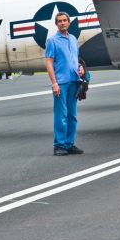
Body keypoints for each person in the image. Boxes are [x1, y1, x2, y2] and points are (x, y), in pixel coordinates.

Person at [45, 11, 86, 156]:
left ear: (69, 22)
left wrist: (80, 67)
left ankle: (69, 144)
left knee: (72, 116)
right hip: (61, 83)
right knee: (61, 115)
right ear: (56, 24)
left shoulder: (73, 39)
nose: (62, 23)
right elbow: (49, 63)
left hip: (74, 81)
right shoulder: (52, 41)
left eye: (65, 20)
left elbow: (76, 59)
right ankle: (59, 145)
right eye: (59, 21)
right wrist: (54, 83)